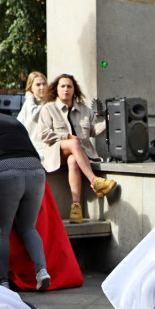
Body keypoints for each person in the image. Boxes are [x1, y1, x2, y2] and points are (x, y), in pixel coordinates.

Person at [0, 93, 51, 290]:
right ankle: (42, 271)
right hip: (35, 169)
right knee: (29, 227)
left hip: (2, 172)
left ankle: (3, 281)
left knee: (0, 232)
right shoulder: (12, 120)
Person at [37, 73, 115, 223]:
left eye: (69, 86)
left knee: (73, 161)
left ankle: (76, 208)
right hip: (56, 152)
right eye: (62, 86)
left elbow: (93, 131)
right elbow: (44, 134)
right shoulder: (48, 109)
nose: (66, 89)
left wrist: (109, 121)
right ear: (56, 89)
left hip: (78, 154)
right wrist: (66, 137)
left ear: (74, 90)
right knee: (73, 144)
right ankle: (95, 182)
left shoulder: (85, 110)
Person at [16, 71, 48, 153]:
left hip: (46, 151)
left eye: (44, 84)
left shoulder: (49, 104)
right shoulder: (27, 105)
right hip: (30, 151)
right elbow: (18, 127)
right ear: (31, 88)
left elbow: (35, 115)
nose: (42, 87)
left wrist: (29, 98)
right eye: (38, 85)